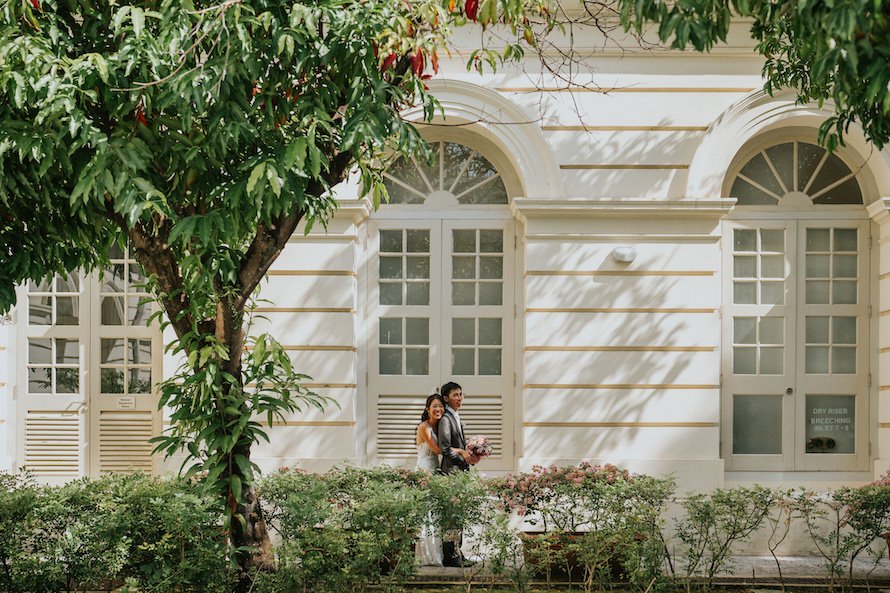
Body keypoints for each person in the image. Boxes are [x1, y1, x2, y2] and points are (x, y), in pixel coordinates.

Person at [437, 381, 476, 567]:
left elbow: (460, 446)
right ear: (446, 398)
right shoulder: (445, 419)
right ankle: (449, 556)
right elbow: (445, 449)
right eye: (455, 395)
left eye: (461, 394)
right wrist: (463, 459)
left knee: (458, 515)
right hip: (451, 473)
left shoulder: (456, 416)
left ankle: (457, 552)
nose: (460, 398)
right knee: (451, 515)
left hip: (460, 473)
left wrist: (473, 455)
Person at [415, 394, 446, 566]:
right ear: (428, 409)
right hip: (425, 470)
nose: (438, 409)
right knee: (425, 513)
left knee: (435, 513)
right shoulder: (423, 427)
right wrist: (464, 450)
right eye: (434, 406)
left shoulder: (440, 426)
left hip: (435, 470)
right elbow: (438, 449)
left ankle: (436, 554)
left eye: (441, 406)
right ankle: (425, 555)